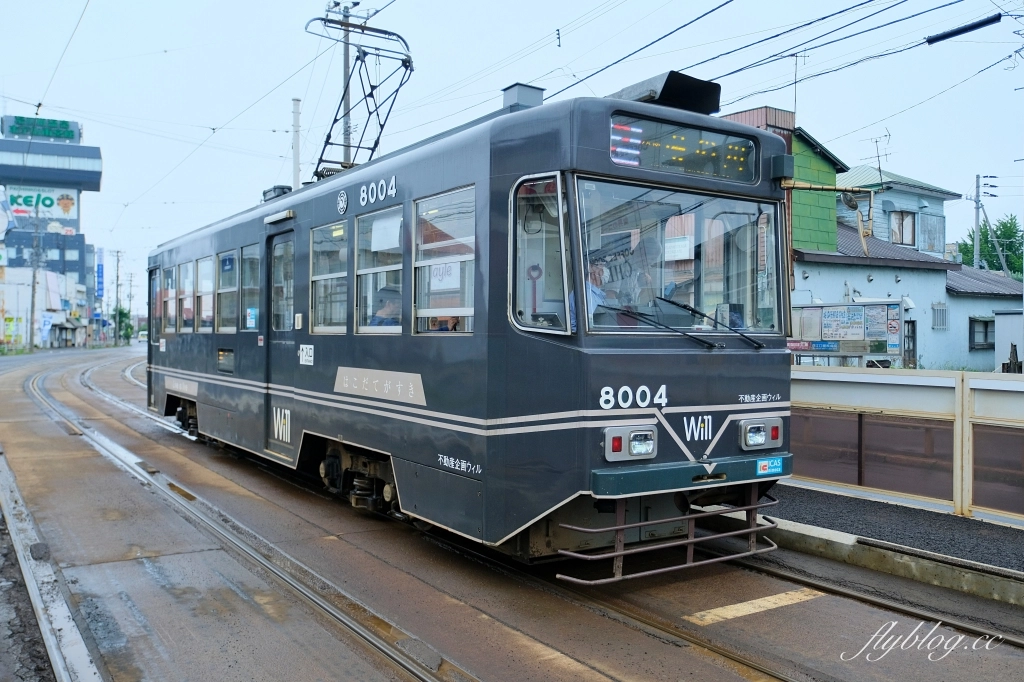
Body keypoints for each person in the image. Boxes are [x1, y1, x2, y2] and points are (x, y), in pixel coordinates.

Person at [569, 260, 609, 332]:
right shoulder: (585, 294)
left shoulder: (594, 294)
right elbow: (591, 326)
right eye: (601, 265)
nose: (605, 269)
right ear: (591, 269)